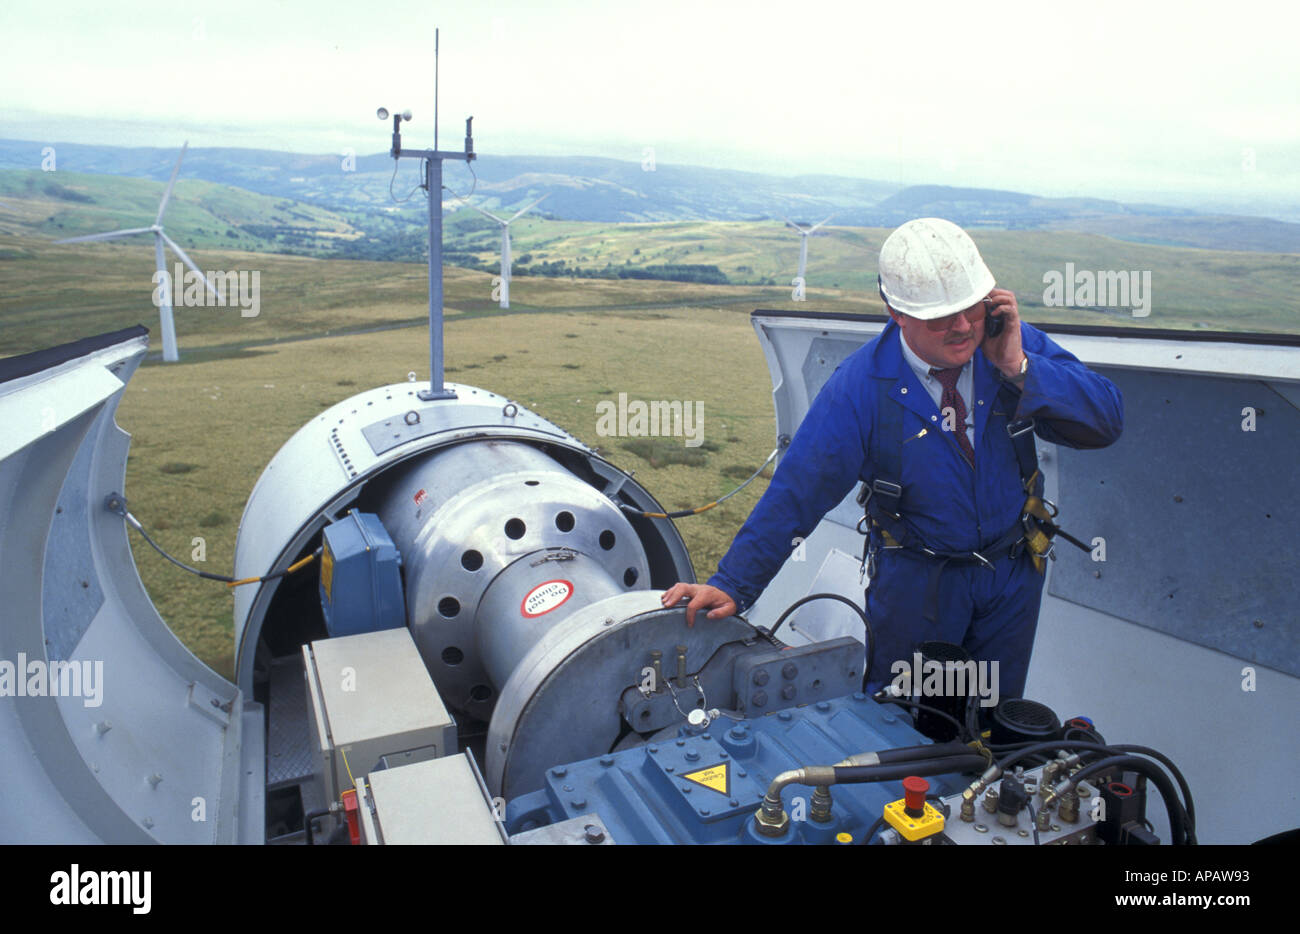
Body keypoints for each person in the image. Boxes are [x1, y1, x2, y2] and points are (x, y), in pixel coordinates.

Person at [661, 217, 1123, 699]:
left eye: (972, 308)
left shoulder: (1008, 347)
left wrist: (1018, 367)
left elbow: (1106, 422)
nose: (963, 327)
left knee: (994, 720)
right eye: (941, 316)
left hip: (1011, 577)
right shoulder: (859, 389)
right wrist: (734, 584)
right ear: (896, 312)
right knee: (906, 722)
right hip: (919, 587)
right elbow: (798, 494)